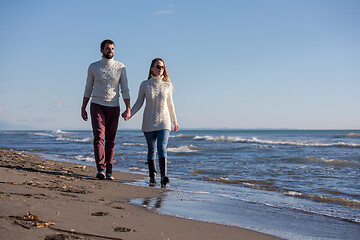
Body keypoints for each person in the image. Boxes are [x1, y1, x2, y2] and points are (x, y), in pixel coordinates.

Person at [81, 39, 131, 180]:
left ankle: (109, 170)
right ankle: (101, 169)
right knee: (98, 137)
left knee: (111, 140)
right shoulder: (93, 67)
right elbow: (88, 88)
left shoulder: (121, 67)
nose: (111, 51)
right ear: (101, 50)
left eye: (113, 48)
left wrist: (128, 108)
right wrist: (83, 107)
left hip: (114, 106)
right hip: (97, 104)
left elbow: (125, 89)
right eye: (108, 48)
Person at [125, 58, 179, 187]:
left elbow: (170, 104)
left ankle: (164, 176)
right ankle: (152, 176)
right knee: (152, 149)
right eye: (158, 67)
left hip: (164, 122)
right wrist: (129, 113)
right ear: (152, 68)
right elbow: (139, 102)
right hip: (148, 122)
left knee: (162, 148)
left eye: (162, 67)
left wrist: (174, 121)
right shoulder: (145, 84)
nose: (161, 69)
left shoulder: (167, 85)